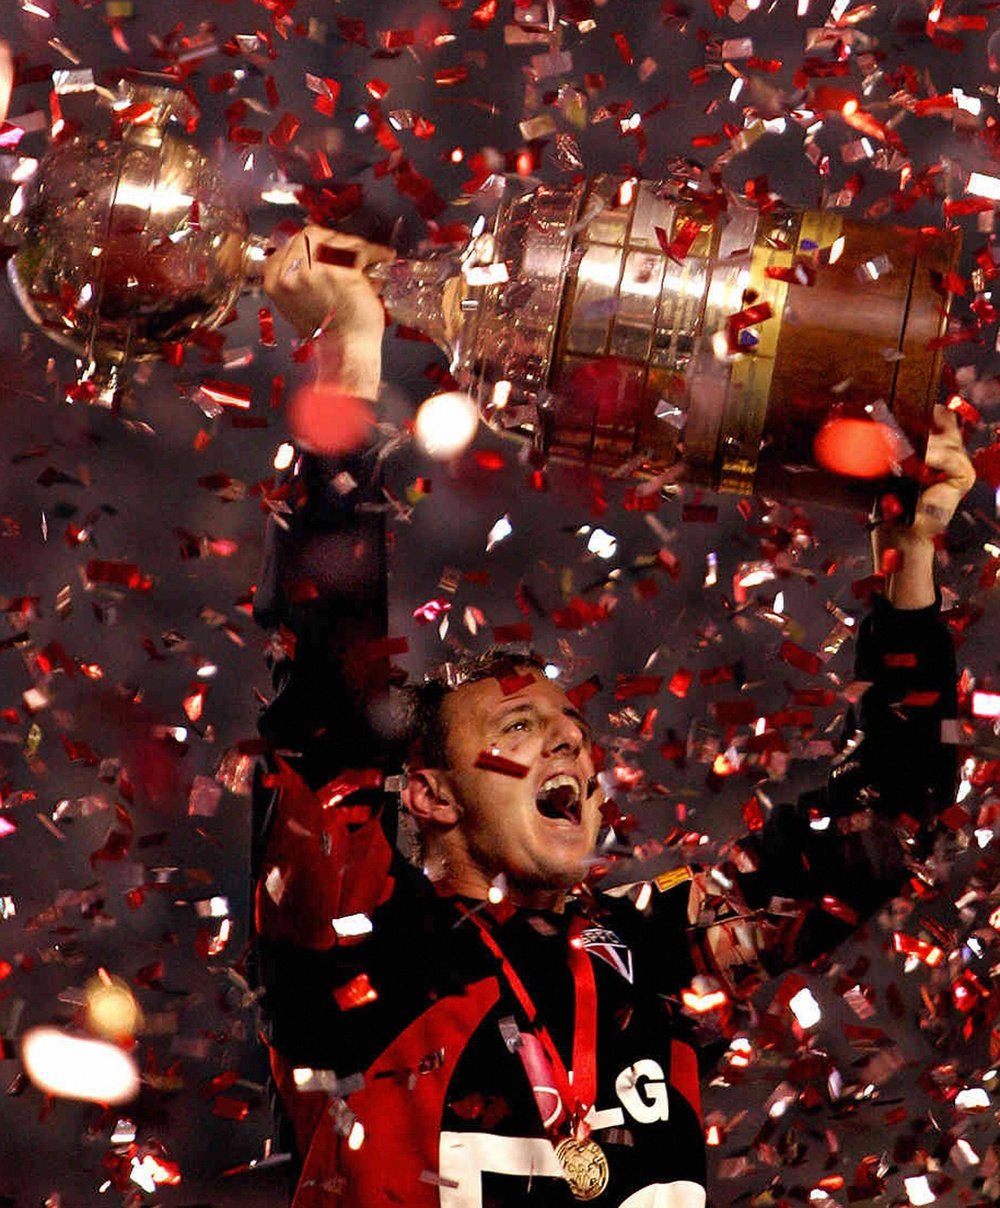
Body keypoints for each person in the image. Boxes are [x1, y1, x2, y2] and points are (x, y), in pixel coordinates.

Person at [251, 225, 976, 1208]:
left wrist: (912, 556)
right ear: (424, 788)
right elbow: (324, 707)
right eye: (512, 727)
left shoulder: (653, 951)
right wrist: (352, 362)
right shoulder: (361, 945)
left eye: (567, 726)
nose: (563, 739)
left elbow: (885, 820)